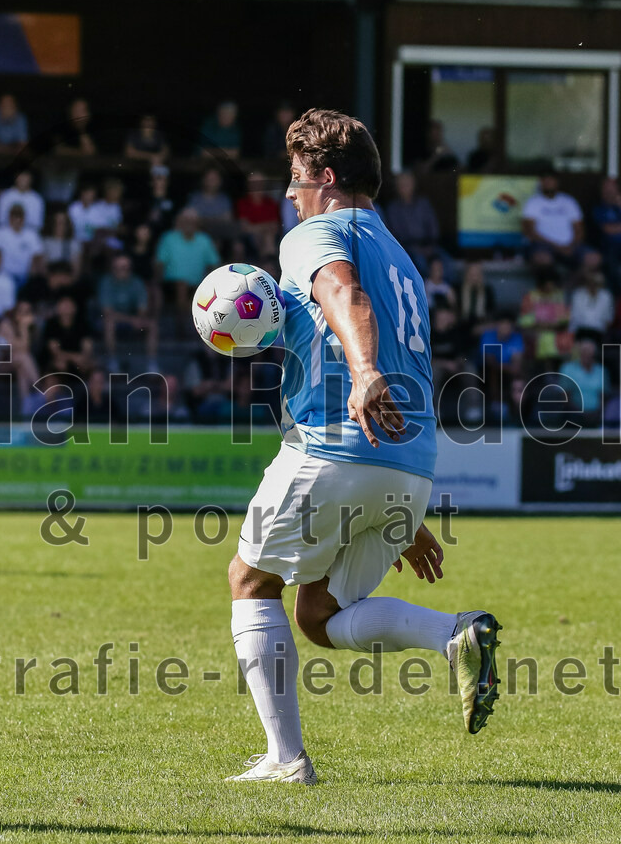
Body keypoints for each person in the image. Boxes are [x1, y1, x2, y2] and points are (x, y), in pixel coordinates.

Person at [227, 109, 500, 785]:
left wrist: (363, 369)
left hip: (334, 443)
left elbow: (342, 294)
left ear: (324, 176)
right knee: (319, 614)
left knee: (249, 579)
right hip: (407, 462)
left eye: (295, 178)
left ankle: (286, 760)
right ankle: (453, 634)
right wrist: (401, 511)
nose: (290, 194)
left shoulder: (315, 233)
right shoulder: (402, 255)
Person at [98, 253, 158, 372]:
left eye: (125, 268)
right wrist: (131, 320)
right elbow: (107, 312)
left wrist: (139, 319)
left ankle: (151, 363)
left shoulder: (137, 282)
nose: (121, 271)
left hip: (132, 321)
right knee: (109, 323)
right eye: (118, 268)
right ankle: (112, 360)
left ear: (130, 269)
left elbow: (143, 308)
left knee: (153, 325)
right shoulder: (106, 282)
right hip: (114, 321)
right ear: (113, 268)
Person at [154, 208, 220, 311]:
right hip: (171, 284)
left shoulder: (204, 240)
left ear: (198, 224)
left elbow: (214, 263)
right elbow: (159, 262)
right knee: (182, 286)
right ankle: (182, 324)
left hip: (198, 284)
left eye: (193, 221)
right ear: (180, 222)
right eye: (186, 221)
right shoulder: (169, 238)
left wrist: (210, 282)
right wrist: (158, 281)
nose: (189, 224)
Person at [384, 171, 442, 274]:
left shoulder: (423, 204)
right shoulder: (393, 208)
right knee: (419, 264)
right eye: (402, 185)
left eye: (408, 184)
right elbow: (397, 236)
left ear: (414, 185)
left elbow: (433, 228)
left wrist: (429, 246)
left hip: (429, 245)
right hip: (407, 249)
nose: (405, 188)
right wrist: (417, 249)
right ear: (397, 188)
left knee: (446, 263)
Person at [521, 174, 585, 265]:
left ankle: (574, 278)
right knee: (543, 259)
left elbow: (579, 229)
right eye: (545, 181)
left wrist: (572, 245)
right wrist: (556, 247)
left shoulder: (569, 201)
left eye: (550, 181)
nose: (548, 184)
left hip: (570, 246)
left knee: (593, 258)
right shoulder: (533, 202)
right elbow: (529, 231)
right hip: (543, 245)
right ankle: (549, 279)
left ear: (557, 183)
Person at [0, 203, 44, 287]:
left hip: (25, 277)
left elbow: (37, 256)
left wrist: (32, 275)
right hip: (2, 276)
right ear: (9, 217)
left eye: (20, 216)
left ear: (24, 218)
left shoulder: (31, 234)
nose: (17, 219)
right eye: (14, 216)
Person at [40, 294, 94, 377]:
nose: (66, 308)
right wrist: (74, 357)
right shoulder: (51, 324)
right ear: (58, 308)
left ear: (75, 308)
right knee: (60, 364)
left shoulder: (82, 323)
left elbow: (87, 347)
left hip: (78, 359)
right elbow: (55, 351)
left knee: (88, 364)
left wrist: (82, 358)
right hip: (59, 358)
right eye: (63, 304)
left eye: (69, 305)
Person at [559, 339, 607, 425]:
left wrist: (597, 412)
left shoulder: (601, 371)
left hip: (596, 415)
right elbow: (565, 398)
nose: (587, 355)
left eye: (590, 353)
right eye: (584, 352)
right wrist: (581, 413)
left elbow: (603, 397)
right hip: (573, 415)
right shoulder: (568, 369)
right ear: (579, 353)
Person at [236, 170, 281, 261]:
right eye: (254, 184)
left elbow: (275, 226)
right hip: (248, 239)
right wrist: (264, 227)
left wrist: (255, 227)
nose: (257, 187)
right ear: (248, 185)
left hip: (268, 238)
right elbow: (244, 227)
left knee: (269, 237)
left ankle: (268, 266)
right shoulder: (242, 203)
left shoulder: (271, 203)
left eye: (260, 184)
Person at [569, 266, 614, 345]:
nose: (593, 285)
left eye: (596, 283)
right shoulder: (578, 294)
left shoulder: (606, 296)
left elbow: (608, 317)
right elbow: (574, 316)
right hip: (580, 330)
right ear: (587, 282)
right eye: (591, 282)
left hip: (598, 331)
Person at [592, 176, 621, 278]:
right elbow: (608, 229)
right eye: (606, 188)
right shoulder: (599, 208)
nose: (609, 191)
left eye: (612, 188)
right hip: (608, 247)